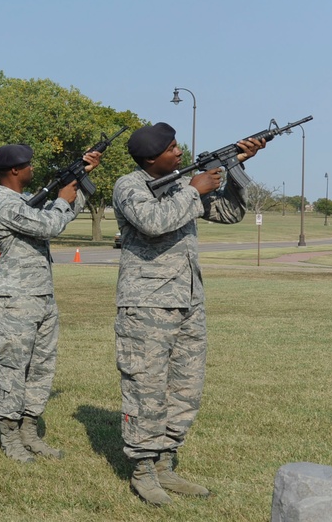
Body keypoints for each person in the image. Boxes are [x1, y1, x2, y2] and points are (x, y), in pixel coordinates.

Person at [112, 123, 264, 505]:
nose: (179, 152)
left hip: (188, 300)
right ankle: (143, 470)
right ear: (151, 158)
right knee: (146, 388)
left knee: (185, 388)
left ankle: (166, 463)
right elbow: (153, 223)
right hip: (146, 303)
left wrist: (232, 170)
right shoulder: (129, 186)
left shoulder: (182, 184)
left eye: (178, 145)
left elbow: (229, 212)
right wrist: (195, 190)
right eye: (172, 148)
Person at [0, 143, 100, 462]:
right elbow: (50, 224)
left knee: (40, 368)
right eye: (29, 165)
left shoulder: (23, 201)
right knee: (13, 368)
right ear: (14, 171)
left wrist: (81, 179)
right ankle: (10, 437)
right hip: (14, 299)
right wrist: (62, 198)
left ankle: (29, 431)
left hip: (41, 296)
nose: (33, 170)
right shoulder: (4, 204)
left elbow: (60, 215)